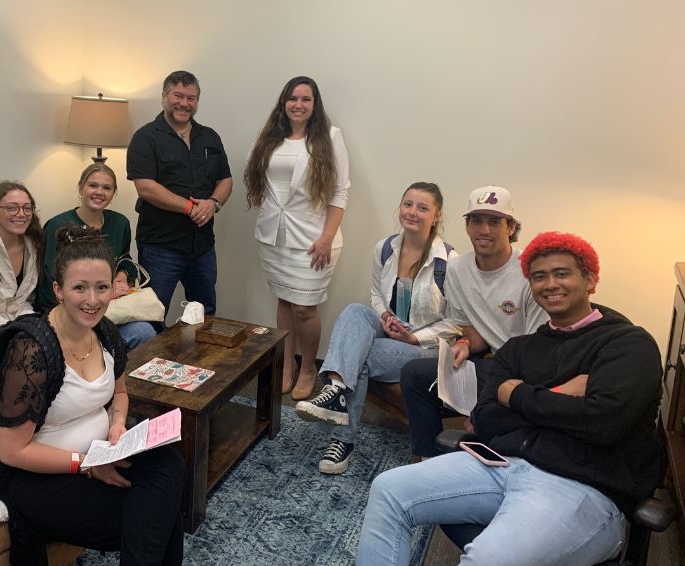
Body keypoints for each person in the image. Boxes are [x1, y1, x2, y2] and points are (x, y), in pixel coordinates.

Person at [355, 231, 662, 566]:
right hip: (503, 465)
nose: (550, 284)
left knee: (486, 562)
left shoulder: (628, 344)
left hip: (580, 487)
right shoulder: (521, 348)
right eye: (539, 276)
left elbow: (605, 423)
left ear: (590, 279)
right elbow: (485, 417)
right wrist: (562, 396)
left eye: (562, 273)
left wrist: (515, 396)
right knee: (389, 490)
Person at [0, 224, 184, 566]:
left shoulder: (104, 331)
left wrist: (118, 425)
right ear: (58, 290)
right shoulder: (31, 352)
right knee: (158, 518)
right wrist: (85, 463)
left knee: (170, 466)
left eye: (102, 287)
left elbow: (119, 394)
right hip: (40, 476)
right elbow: (12, 452)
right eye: (79, 288)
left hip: (101, 452)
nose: (93, 299)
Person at [294, 183, 458, 474]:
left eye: (422, 207)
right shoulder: (385, 248)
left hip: (424, 349)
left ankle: (342, 436)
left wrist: (414, 336)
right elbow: (375, 293)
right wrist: (385, 316)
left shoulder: (449, 262)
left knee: (361, 358)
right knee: (355, 311)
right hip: (390, 330)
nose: (412, 212)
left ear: (437, 215)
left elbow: (456, 322)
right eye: (408, 204)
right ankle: (336, 389)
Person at [400, 185, 548, 458]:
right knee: (415, 373)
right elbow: (469, 326)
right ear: (467, 226)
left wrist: (493, 397)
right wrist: (466, 343)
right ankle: (430, 457)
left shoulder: (530, 272)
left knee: (491, 415)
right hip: (491, 368)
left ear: (511, 227)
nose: (484, 230)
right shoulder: (457, 269)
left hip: (525, 375)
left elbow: (537, 352)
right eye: (476, 221)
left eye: (494, 222)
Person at [243, 76, 351, 400]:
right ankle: (285, 365)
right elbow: (255, 175)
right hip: (273, 237)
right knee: (285, 301)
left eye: (305, 99)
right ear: (283, 103)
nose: (298, 105)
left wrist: (327, 237)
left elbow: (340, 191)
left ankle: (307, 368)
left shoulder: (330, 138)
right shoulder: (270, 138)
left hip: (313, 240)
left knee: (305, 308)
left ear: (314, 105)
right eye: (292, 98)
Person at [127, 70, 232, 318]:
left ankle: (200, 358)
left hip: (203, 246)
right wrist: (190, 208)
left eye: (191, 98)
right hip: (161, 246)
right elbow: (146, 187)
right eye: (178, 95)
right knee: (152, 314)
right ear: (164, 95)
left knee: (204, 312)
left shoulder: (210, 137)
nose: (184, 103)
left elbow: (225, 179)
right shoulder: (145, 138)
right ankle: (153, 359)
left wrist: (213, 203)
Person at [34, 162, 157, 349]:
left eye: (107, 188)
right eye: (93, 185)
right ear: (81, 188)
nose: (99, 192)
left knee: (146, 332)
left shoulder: (120, 223)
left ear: (113, 193)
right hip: (70, 313)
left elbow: (125, 260)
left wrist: (121, 277)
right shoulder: (57, 225)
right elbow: (50, 276)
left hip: (108, 310)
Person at [0, 180, 43, 325]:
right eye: (12, 208)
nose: (21, 214)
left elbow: (24, 302)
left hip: (23, 319)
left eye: (27, 208)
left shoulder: (34, 246)